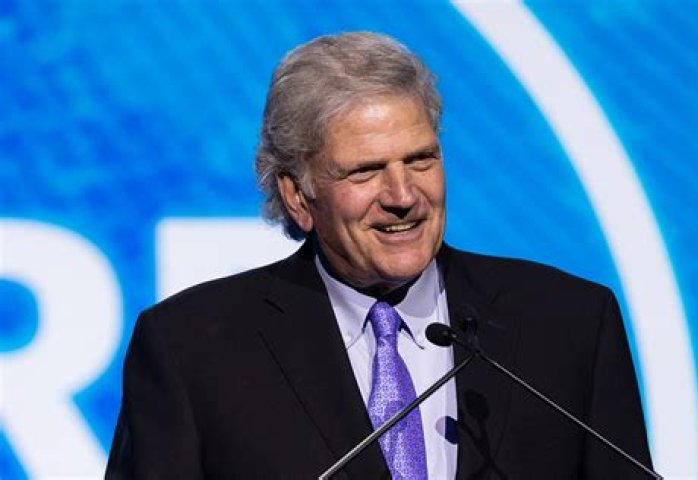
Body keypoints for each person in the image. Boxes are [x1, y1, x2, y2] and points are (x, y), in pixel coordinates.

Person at [106, 32, 653, 479]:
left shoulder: (569, 324)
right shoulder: (193, 350)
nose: (402, 195)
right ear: (297, 195)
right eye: (365, 171)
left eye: (420, 160)